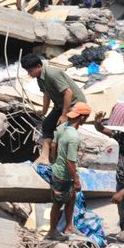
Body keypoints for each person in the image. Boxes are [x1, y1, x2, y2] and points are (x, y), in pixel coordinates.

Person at [22, 53, 87, 165]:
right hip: (60, 105)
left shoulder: (52, 74)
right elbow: (46, 95)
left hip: (75, 104)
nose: (29, 74)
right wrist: (44, 111)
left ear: (38, 66)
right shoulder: (40, 78)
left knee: (63, 131)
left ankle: (61, 160)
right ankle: (44, 156)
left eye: (30, 71)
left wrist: (64, 115)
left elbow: (68, 93)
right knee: (47, 124)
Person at [47, 102, 90, 239]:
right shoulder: (74, 137)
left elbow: (54, 145)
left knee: (71, 199)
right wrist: (76, 180)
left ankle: (69, 226)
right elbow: (70, 162)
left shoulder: (62, 127)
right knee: (58, 203)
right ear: (82, 118)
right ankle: (52, 231)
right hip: (64, 176)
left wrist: (54, 160)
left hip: (57, 171)